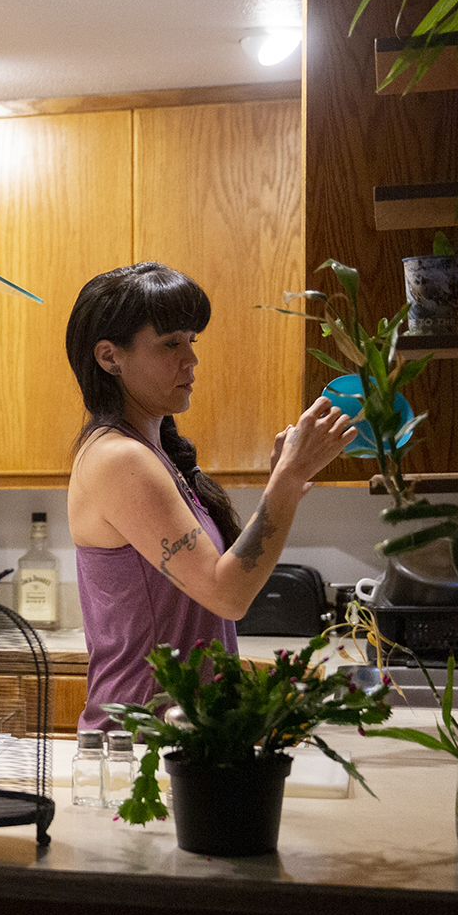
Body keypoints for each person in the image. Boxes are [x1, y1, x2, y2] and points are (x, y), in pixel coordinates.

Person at [65, 262, 357, 729]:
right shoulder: (120, 459)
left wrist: (287, 479)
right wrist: (285, 481)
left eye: (191, 341)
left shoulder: (152, 454)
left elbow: (222, 584)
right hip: (141, 742)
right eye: (169, 344)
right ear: (109, 357)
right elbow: (228, 595)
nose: (191, 359)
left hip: (178, 735)